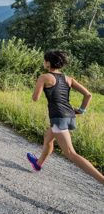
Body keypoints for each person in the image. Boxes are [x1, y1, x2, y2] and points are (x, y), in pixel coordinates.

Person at [26, 50, 104, 184]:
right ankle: (38, 164)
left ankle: (102, 180)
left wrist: (39, 86)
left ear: (48, 63)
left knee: (70, 153)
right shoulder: (68, 79)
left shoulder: (44, 77)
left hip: (58, 117)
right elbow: (88, 95)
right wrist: (81, 110)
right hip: (69, 115)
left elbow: (35, 98)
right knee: (48, 138)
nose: (44, 62)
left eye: (45, 60)